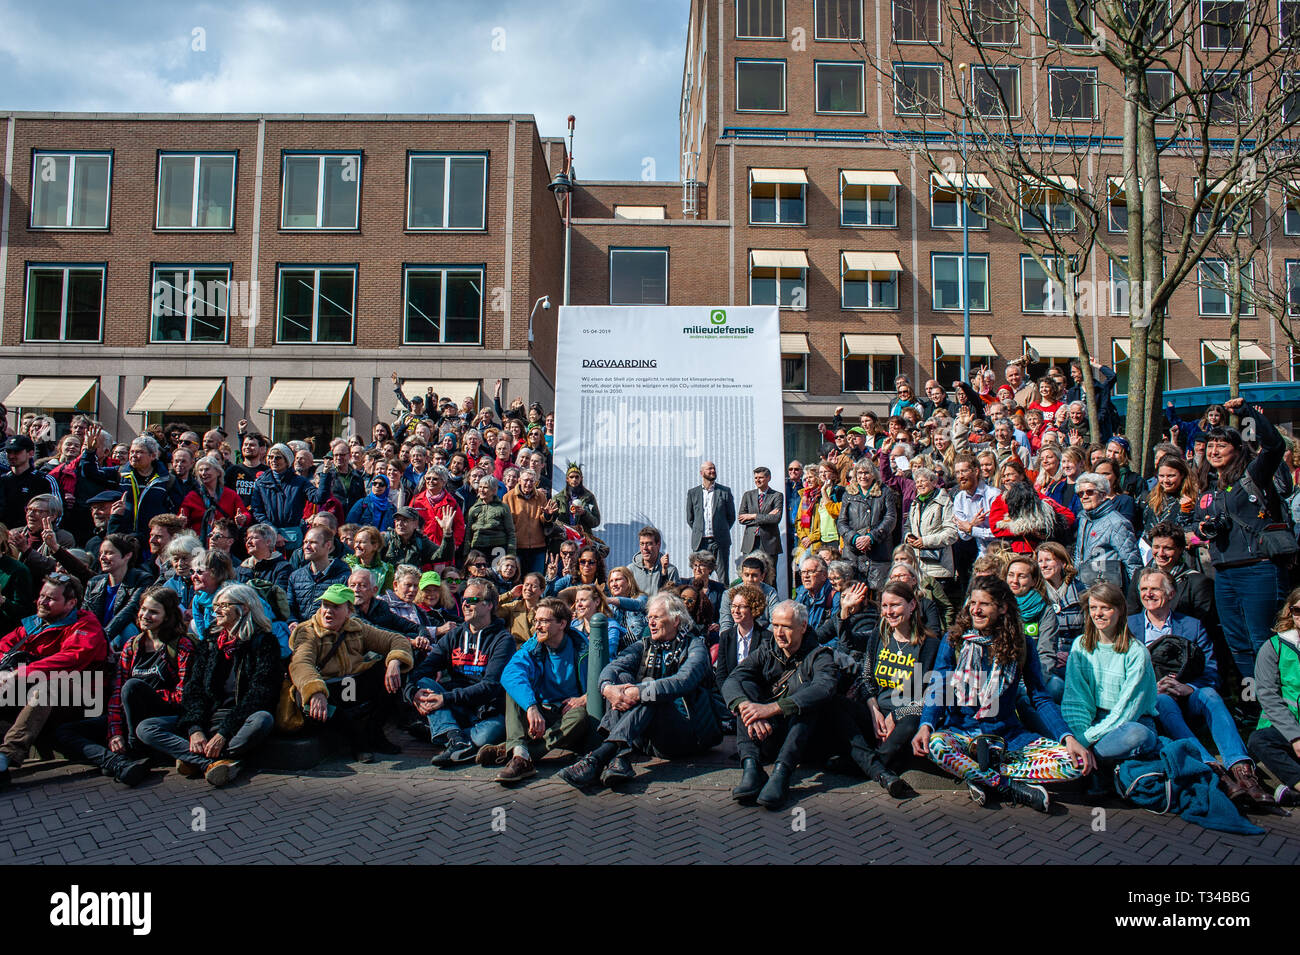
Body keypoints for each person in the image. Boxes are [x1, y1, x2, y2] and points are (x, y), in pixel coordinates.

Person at [913, 575, 1093, 813]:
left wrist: (1068, 738)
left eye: (984, 604)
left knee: (1074, 764)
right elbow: (939, 685)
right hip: (962, 732)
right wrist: (926, 724)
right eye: (972, 603)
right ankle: (1010, 786)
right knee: (937, 746)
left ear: (1002, 607)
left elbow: (1039, 696)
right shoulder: (955, 639)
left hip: (1006, 737)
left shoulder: (1022, 644)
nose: (975, 610)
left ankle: (978, 775)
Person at [1132, 568, 1274, 809]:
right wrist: (1151, 687)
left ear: (1170, 594)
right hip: (1153, 699)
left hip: (1187, 694)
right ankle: (1215, 770)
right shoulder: (1130, 626)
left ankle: (1242, 771)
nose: (1148, 594)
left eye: (1154, 589)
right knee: (1163, 700)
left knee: (1209, 694)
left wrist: (1188, 687)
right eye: (1144, 589)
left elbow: (1211, 670)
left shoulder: (1192, 626)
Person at [559, 592, 722, 788]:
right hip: (646, 737)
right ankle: (620, 757)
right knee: (623, 679)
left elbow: (682, 681)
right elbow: (613, 667)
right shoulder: (645, 645)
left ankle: (599, 756)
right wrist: (608, 688)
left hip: (687, 736)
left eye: (657, 618)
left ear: (676, 620)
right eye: (649, 617)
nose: (651, 623)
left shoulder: (695, 647)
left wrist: (638, 691)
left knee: (652, 693)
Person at [137, 582, 280, 785]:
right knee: (147, 728)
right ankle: (214, 762)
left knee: (263, 720)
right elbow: (193, 689)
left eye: (224, 605)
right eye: (215, 606)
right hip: (207, 718)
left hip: (238, 721)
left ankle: (197, 758)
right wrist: (195, 729)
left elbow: (261, 693)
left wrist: (224, 732)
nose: (217, 611)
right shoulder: (210, 643)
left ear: (244, 608)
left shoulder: (264, 643)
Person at [55, 586, 193, 786]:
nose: (145, 615)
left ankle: (135, 751)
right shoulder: (132, 645)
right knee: (65, 731)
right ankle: (117, 761)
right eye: (143, 609)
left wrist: (150, 694)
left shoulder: (181, 646)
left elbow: (182, 695)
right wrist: (115, 731)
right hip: (127, 722)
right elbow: (117, 693)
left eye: (153, 612)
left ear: (167, 616)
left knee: (133, 687)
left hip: (160, 715)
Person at [1194, 397, 1289, 682]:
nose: (1214, 451)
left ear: (1238, 449)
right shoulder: (1208, 488)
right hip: (1224, 573)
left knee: (1262, 639)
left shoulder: (1253, 476)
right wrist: (1200, 528)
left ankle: (1278, 704)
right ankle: (1255, 702)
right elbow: (1200, 528)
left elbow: (1275, 447)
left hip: (1258, 569)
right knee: (1237, 642)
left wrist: (1247, 414)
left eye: (1221, 445)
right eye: (1210, 446)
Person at [724, 600, 837, 810]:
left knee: (808, 701)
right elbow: (732, 679)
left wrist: (772, 708)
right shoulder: (767, 650)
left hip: (804, 739)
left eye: (786, 626)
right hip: (769, 732)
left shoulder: (820, 656)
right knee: (745, 687)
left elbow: (824, 688)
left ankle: (781, 774)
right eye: (775, 626)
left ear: (803, 627)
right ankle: (751, 767)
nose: (779, 632)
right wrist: (746, 707)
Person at [0, 574, 109, 787]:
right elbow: (5, 644)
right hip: (37, 687)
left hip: (85, 695)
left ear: (71, 603)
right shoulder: (36, 623)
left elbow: (70, 659)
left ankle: (7, 755)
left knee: (48, 686)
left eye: (50, 598)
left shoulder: (86, 625)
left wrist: (20, 673)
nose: (42, 602)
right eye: (42, 596)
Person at [288, 583, 412, 761]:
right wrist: (315, 690)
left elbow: (396, 640)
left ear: (349, 610)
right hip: (326, 689)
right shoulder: (307, 632)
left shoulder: (357, 627)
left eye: (335, 606)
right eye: (325, 605)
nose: (328, 611)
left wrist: (394, 661)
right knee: (307, 700)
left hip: (350, 687)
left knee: (396, 669)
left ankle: (374, 731)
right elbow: (301, 664)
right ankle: (357, 741)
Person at [482, 598, 598, 784]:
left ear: (562, 624)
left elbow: (605, 679)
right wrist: (531, 707)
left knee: (580, 716)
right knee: (514, 691)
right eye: (536, 621)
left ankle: (518, 752)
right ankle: (520, 753)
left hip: (568, 716)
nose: (538, 626)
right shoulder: (533, 646)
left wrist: (585, 698)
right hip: (541, 713)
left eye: (544, 621)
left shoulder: (583, 647)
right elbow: (510, 673)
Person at [839, 580, 936, 795]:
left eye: (895, 605)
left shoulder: (928, 644)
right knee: (839, 706)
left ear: (912, 606)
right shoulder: (879, 636)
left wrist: (896, 715)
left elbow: (929, 693)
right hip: (877, 710)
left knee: (912, 722)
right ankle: (881, 766)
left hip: (907, 713)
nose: (889, 612)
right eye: (884, 606)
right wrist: (874, 710)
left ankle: (869, 764)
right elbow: (866, 678)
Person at [405, 578, 513, 764]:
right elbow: (423, 669)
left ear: (489, 605)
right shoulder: (454, 635)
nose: (464, 604)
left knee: (487, 736)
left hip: (486, 711)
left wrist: (445, 699)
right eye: (463, 599)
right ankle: (457, 739)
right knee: (424, 684)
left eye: (472, 600)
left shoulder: (503, 640)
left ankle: (443, 732)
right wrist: (412, 693)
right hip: (456, 706)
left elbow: (490, 686)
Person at [1060, 582, 1161, 775]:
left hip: (1130, 722)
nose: (1098, 614)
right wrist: (1080, 735)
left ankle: (1087, 760)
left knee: (1136, 735)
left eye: (1105, 608)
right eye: (1093, 608)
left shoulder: (1137, 652)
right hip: (1094, 719)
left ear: (1120, 610)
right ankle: (1096, 762)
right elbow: (1076, 698)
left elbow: (1126, 712)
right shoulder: (1080, 645)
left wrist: (1084, 741)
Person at [1249, 586, 1300, 806]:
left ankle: (1288, 792)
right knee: (1258, 742)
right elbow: (1268, 697)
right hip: (1285, 728)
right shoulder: (1273, 648)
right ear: (1290, 612)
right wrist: (1296, 737)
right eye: (1298, 610)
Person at [249, 443, 333, 553]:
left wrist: (325, 474)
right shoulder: (261, 482)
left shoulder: (300, 482)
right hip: (269, 537)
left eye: (278, 457)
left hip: (293, 538)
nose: (273, 460)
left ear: (287, 460)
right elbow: (257, 511)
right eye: (270, 457)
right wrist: (274, 532)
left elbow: (319, 498)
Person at [83, 533, 155, 651]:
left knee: (126, 630)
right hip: (96, 636)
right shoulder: (94, 582)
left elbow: (128, 611)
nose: (102, 557)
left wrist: (103, 638)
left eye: (109, 553)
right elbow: (85, 614)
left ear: (127, 555)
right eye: (101, 553)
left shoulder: (142, 579)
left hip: (118, 637)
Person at [1074, 472, 1143, 590]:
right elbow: (1078, 556)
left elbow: (1132, 563)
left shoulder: (1117, 523)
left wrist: (1135, 597)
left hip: (1108, 589)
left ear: (1103, 494)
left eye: (1090, 492)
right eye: (1081, 494)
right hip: (1085, 585)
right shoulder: (1083, 520)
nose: (1084, 497)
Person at [837, 459, 897, 589]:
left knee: (878, 597)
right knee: (855, 595)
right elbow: (841, 522)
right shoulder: (848, 494)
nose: (863, 476)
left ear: (874, 474)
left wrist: (871, 537)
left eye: (866, 472)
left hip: (879, 553)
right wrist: (855, 538)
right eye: (859, 473)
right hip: (853, 553)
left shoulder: (885, 492)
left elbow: (890, 518)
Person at [904, 465, 957, 606]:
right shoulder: (915, 503)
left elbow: (952, 533)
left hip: (939, 569)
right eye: (917, 482)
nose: (919, 484)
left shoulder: (944, 502)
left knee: (941, 608)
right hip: (919, 567)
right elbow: (908, 525)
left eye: (923, 480)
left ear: (934, 482)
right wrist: (908, 536)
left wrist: (925, 541)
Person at [285, 525, 351, 624]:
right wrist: (292, 622)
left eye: (313, 542)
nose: (306, 547)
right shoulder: (296, 576)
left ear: (328, 545)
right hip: (300, 632)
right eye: (305, 542)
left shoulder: (344, 577)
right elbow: (289, 607)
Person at [179, 454, 251, 541]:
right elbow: (182, 517)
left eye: (207, 469)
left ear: (218, 472)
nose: (203, 473)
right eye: (200, 470)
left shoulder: (230, 494)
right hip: (198, 544)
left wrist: (243, 518)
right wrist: (181, 521)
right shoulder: (192, 496)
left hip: (224, 542)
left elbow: (245, 513)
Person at [686, 460, 736, 582]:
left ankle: (723, 600)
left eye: (714, 468)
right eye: (709, 469)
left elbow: (731, 517)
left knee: (723, 577)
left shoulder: (724, 491)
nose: (713, 471)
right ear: (702, 472)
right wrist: (700, 530)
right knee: (699, 576)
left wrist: (720, 529)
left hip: (719, 541)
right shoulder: (693, 493)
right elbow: (690, 518)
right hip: (700, 542)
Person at [715, 584, 769, 689]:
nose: (735, 610)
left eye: (741, 606)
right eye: (734, 606)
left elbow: (766, 675)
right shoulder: (726, 637)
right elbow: (721, 675)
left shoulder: (766, 638)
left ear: (754, 608)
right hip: (730, 695)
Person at [504, 468, 552, 576]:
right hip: (517, 547)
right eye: (526, 480)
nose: (529, 483)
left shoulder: (541, 497)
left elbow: (544, 521)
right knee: (517, 578)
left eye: (532, 481)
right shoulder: (508, 497)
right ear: (519, 480)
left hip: (538, 546)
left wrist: (547, 515)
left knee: (536, 578)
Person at [737, 466, 784, 571]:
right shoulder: (748, 495)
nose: (757, 480)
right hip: (750, 542)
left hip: (769, 542)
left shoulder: (777, 495)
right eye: (756, 478)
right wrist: (767, 516)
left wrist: (753, 516)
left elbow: (776, 518)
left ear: (768, 478)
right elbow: (741, 518)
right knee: (749, 573)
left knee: (770, 576)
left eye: (761, 477)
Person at [465, 474, 516, 557]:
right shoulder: (474, 508)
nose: (481, 490)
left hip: (497, 548)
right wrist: (466, 553)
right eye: (480, 487)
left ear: (494, 490)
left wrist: (511, 553)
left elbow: (510, 532)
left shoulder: (503, 508)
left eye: (485, 487)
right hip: (477, 546)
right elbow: (468, 533)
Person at [625, 525, 679, 596]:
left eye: (649, 543)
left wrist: (664, 573)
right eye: (642, 544)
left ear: (658, 545)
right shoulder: (630, 570)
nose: (645, 548)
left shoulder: (671, 570)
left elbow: (674, 599)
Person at [554, 463, 601, 536]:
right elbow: (551, 521)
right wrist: (548, 514)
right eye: (571, 477)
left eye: (577, 477)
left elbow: (596, 522)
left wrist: (585, 513)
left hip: (583, 537)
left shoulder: (589, 497)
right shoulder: (558, 498)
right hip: (563, 537)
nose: (574, 479)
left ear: (581, 478)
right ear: (567, 479)